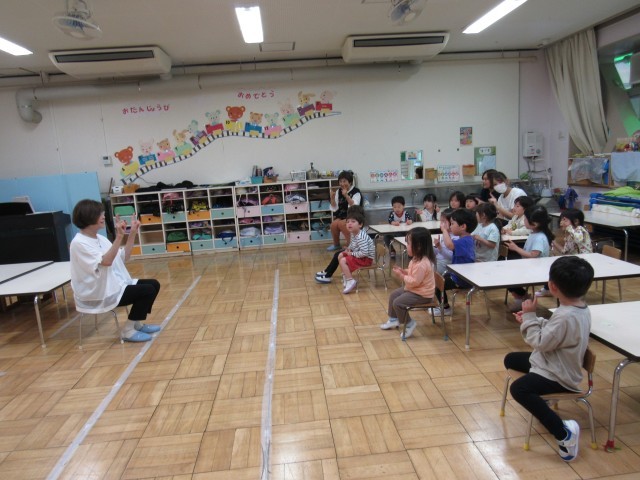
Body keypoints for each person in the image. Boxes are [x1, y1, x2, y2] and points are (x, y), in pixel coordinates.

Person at [505, 255, 594, 462]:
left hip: (559, 375)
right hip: (554, 363)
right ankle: (543, 401)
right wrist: (533, 320)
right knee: (511, 359)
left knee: (519, 389)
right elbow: (556, 332)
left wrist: (529, 317)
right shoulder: (577, 308)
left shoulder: (566, 315)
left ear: (552, 286)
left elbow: (540, 342)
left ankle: (564, 434)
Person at [70, 199, 161, 342]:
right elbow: (107, 262)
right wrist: (119, 236)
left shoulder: (100, 238)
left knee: (154, 284)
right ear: (88, 217)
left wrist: (132, 233)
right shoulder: (78, 243)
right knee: (147, 290)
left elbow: (123, 257)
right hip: (97, 292)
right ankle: (128, 331)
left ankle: (135, 324)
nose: (103, 216)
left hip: (113, 283)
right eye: (99, 214)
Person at [380, 227, 436, 339]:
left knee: (398, 303)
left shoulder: (422, 264)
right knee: (394, 295)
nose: (406, 246)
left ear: (418, 246)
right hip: (415, 290)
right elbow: (412, 273)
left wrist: (401, 276)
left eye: (408, 244)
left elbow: (414, 282)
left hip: (422, 295)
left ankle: (410, 323)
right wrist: (404, 271)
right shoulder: (416, 258)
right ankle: (393, 319)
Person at [505, 205, 554, 311]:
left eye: (526, 219)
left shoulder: (539, 237)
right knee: (505, 273)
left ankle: (521, 298)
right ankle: (522, 297)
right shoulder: (534, 233)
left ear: (534, 224)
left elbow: (533, 255)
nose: (524, 220)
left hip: (536, 270)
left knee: (509, 276)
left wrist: (516, 248)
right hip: (529, 267)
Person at [315, 207, 374, 294]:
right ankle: (346, 277)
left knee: (343, 260)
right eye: (348, 222)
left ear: (360, 224)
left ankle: (350, 280)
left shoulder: (361, 237)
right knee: (340, 255)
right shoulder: (354, 233)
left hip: (366, 259)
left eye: (353, 222)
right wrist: (349, 248)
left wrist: (351, 253)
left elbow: (364, 253)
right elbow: (353, 244)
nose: (349, 224)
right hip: (361, 256)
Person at [536, 208, 593, 297]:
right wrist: (553, 243)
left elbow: (578, 239)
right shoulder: (569, 235)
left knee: (560, 269)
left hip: (584, 261)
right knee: (553, 265)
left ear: (576, 221)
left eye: (565, 220)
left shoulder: (580, 229)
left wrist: (569, 228)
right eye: (561, 219)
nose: (561, 222)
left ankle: (558, 290)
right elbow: (565, 251)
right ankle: (548, 288)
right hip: (574, 260)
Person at [432, 208, 477, 315]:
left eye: (452, 223)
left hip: (462, 279)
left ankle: (445, 308)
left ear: (463, 226)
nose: (450, 226)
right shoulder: (465, 239)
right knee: (436, 279)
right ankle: (443, 305)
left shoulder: (464, 241)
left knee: (436, 284)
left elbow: (449, 245)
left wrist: (444, 230)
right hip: (458, 274)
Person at [327, 170, 362, 251]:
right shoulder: (338, 191)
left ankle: (351, 245)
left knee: (342, 224)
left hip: (355, 215)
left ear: (350, 182)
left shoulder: (356, 191)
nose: (342, 184)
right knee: (333, 225)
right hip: (342, 215)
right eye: (340, 181)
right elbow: (335, 207)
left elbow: (354, 206)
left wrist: (346, 195)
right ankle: (336, 244)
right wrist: (332, 198)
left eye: (344, 181)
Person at [433, 208, 456, 275]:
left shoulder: (455, 237)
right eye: (441, 221)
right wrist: (432, 248)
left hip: (446, 264)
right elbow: (439, 252)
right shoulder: (445, 234)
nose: (441, 224)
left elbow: (451, 257)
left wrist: (440, 247)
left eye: (444, 222)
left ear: (451, 222)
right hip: (439, 261)